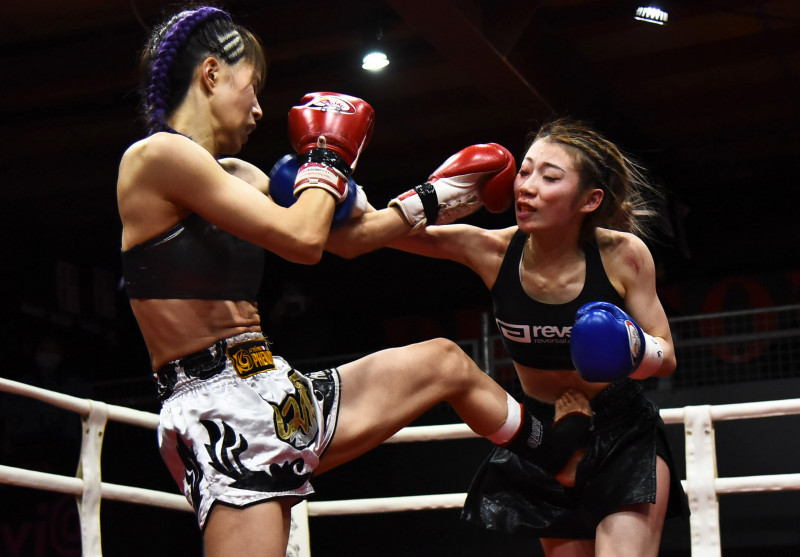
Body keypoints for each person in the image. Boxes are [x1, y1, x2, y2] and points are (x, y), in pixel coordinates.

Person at [117, 6, 580, 556]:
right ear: (211, 73)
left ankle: (560, 459)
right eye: (252, 86)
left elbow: (349, 239)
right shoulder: (156, 156)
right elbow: (302, 239)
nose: (259, 108)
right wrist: (326, 156)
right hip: (219, 409)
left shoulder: (240, 176)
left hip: (276, 387)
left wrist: (439, 196)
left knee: (445, 363)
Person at [386, 117, 690, 556]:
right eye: (524, 172)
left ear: (591, 200)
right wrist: (435, 198)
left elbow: (667, 355)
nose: (526, 187)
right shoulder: (491, 250)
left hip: (621, 431)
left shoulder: (623, 254)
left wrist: (634, 346)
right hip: (544, 437)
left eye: (549, 177)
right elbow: (378, 234)